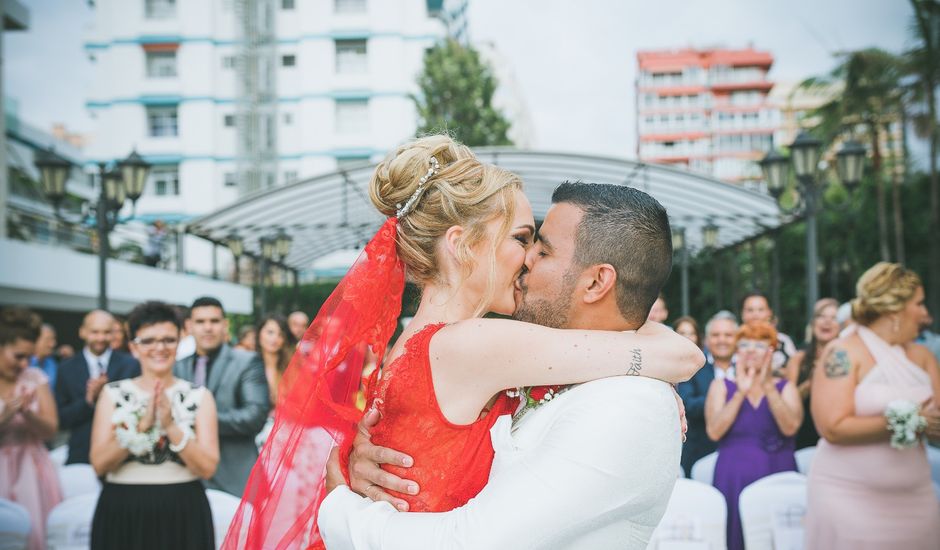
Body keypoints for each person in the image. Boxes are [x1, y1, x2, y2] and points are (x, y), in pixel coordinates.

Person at [225, 139, 702, 549]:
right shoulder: (473, 345)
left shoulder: (426, 345)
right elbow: (679, 354)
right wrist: (656, 366)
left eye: (540, 246)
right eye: (522, 238)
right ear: (463, 245)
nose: (529, 259)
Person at [805, 263, 940, 549]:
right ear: (895, 308)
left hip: (916, 498)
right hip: (847, 497)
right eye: (919, 303)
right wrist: (913, 421)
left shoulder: (924, 356)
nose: (925, 314)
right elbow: (832, 427)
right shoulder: (842, 352)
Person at [89, 301, 219, 550]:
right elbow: (99, 464)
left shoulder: (199, 396)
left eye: (168, 340)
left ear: (179, 343)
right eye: (148, 341)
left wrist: (170, 426)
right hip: (122, 507)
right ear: (134, 348)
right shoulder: (113, 394)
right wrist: (141, 427)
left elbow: (208, 468)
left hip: (183, 507)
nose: (159, 347)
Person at [705, 321, 802, 550]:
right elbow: (714, 431)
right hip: (733, 476)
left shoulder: (785, 387)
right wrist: (740, 392)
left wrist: (768, 386)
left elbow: (790, 427)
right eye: (745, 344)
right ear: (737, 351)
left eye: (759, 345)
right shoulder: (721, 386)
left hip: (778, 471)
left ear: (771, 352)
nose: (750, 350)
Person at [174, 297, 268, 496]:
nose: (208, 328)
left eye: (214, 321)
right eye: (200, 322)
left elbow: (255, 416)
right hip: (186, 476)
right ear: (189, 326)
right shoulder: (177, 366)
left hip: (235, 478)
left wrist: (200, 421)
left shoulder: (247, 361)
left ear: (225, 325)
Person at [0, 307, 62, 550]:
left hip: (30, 469)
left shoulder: (34, 377)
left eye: (29, 357)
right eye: (18, 356)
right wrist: (4, 418)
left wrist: (27, 415)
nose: (25, 363)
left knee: (33, 535)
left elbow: (51, 430)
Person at [56, 310, 139, 465]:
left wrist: (108, 396)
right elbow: (61, 420)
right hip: (81, 454)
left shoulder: (131, 365)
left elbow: (137, 409)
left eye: (106, 332)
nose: (101, 338)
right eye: (95, 332)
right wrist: (88, 400)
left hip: (123, 455)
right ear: (82, 332)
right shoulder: (66, 368)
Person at [677, 310, 738, 476]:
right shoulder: (693, 366)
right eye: (716, 335)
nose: (722, 340)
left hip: (740, 451)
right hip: (701, 453)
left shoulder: (747, 367)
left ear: (737, 338)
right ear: (707, 339)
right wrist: (726, 401)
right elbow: (688, 403)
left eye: (728, 335)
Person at [786, 298, 839, 450]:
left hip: (836, 435)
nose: (826, 322)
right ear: (813, 323)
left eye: (833, 318)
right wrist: (810, 384)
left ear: (840, 326)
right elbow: (787, 404)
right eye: (821, 316)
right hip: (804, 436)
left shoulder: (849, 358)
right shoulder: (798, 359)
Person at [253, 315, 297, 448]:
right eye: (270, 332)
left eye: (280, 334)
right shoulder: (248, 365)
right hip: (256, 431)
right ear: (259, 333)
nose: (275, 339)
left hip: (286, 430)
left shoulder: (292, 366)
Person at [740, 291, 797, 379]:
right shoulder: (734, 341)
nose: (755, 315)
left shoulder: (783, 341)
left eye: (761, 310)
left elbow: (793, 371)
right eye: (750, 310)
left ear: (769, 313)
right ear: (742, 314)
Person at [29, 323, 59, 389]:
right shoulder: (23, 364)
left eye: (53, 340)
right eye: (48, 340)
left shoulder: (53, 365)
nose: (53, 344)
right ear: (35, 340)